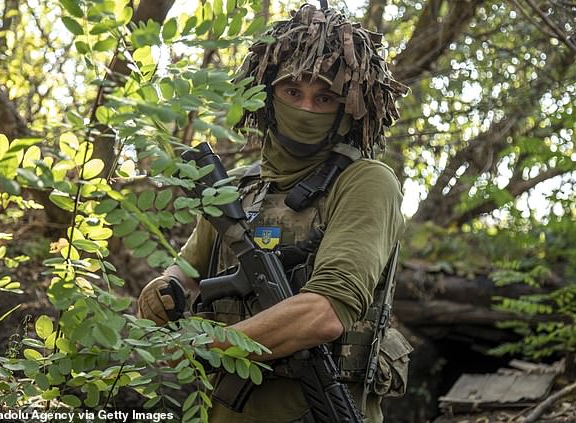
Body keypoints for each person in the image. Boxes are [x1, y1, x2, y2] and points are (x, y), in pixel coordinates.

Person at [138, 3, 413, 422]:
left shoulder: (366, 183)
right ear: (267, 93)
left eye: (325, 97)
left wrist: (206, 346)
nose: (306, 108)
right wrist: (160, 291)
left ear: (349, 106)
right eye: (293, 92)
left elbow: (323, 313)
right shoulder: (235, 187)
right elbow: (185, 273)